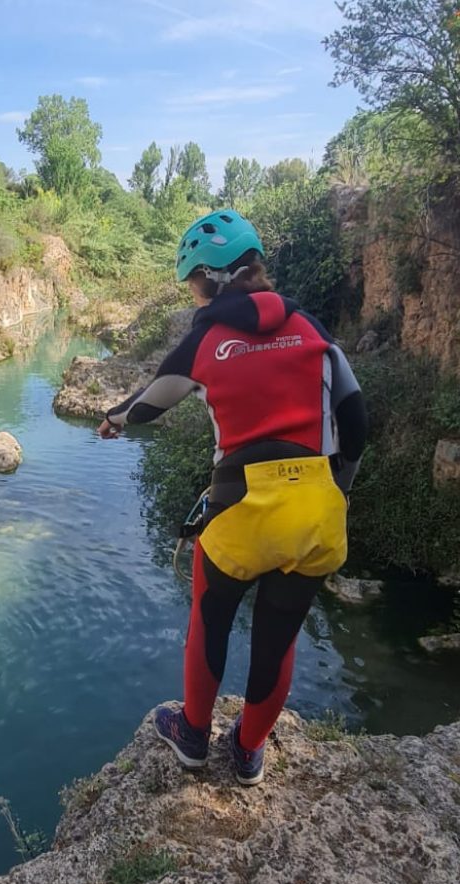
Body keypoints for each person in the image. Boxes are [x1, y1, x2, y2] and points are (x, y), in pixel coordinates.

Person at [97, 209, 367, 786]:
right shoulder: (314, 331)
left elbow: (152, 401)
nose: (194, 294)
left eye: (193, 280)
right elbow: (355, 416)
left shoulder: (208, 339)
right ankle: (247, 751)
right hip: (315, 512)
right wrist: (336, 489)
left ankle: (193, 736)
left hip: (242, 509)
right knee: (278, 638)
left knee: (209, 621)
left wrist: (114, 420)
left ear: (212, 279)